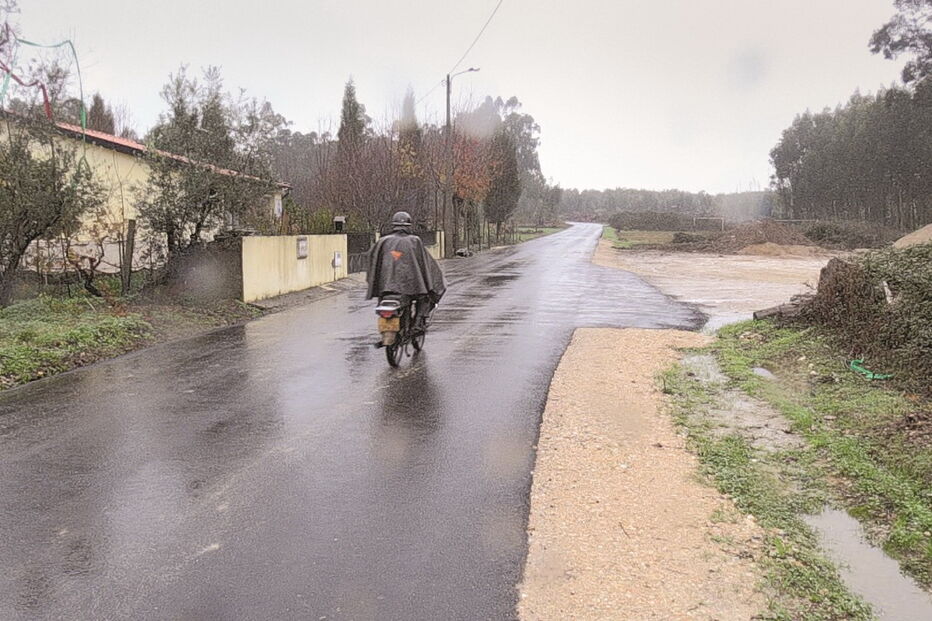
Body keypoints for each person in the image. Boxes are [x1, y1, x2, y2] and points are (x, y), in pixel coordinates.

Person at [366, 212, 446, 330]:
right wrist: (434, 280)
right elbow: (426, 264)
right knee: (425, 297)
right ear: (409, 225)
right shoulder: (414, 241)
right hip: (410, 288)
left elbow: (372, 261)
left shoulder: (383, 241)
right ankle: (418, 323)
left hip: (385, 288)